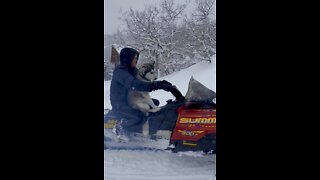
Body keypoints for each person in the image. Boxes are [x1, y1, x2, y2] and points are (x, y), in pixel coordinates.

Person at [109, 47, 180, 141]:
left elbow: (143, 81)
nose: (136, 60)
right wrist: (157, 86)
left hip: (131, 99)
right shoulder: (121, 72)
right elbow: (135, 85)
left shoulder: (133, 70)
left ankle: (146, 130)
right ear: (128, 58)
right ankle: (120, 128)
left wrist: (161, 83)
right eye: (134, 58)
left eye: (136, 58)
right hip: (120, 104)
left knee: (155, 103)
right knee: (139, 116)